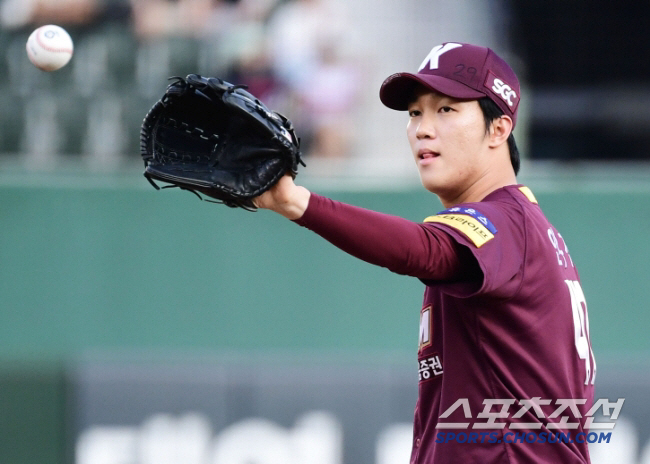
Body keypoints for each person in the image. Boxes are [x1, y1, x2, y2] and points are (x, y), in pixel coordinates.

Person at [254, 42, 596, 463]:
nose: (422, 129)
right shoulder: (525, 227)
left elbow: (426, 251)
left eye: (446, 110)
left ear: (499, 129)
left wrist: (295, 201)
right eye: (415, 113)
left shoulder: (505, 222)